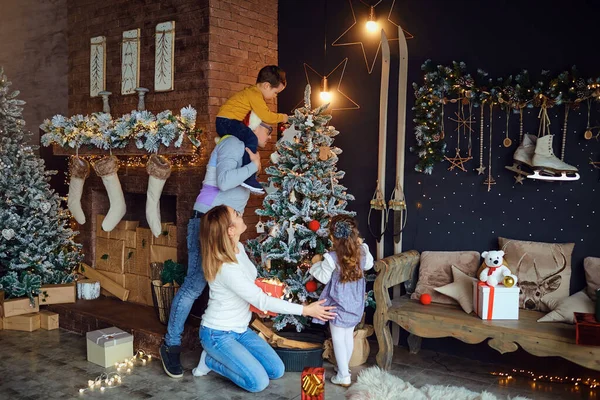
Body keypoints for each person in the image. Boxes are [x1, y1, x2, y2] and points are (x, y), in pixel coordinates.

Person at [160, 111, 273, 378]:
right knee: (194, 286)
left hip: (227, 230)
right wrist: (254, 167)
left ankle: (220, 344)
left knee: (223, 286)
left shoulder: (243, 150)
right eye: (269, 130)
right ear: (256, 127)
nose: (270, 136)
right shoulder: (233, 142)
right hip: (207, 225)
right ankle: (171, 345)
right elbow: (223, 182)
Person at [191, 205, 336, 392]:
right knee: (257, 383)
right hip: (217, 333)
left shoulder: (239, 248)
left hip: (240, 330)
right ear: (230, 230)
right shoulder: (227, 268)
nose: (241, 213)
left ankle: (223, 357)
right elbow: (261, 301)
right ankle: (211, 361)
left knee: (276, 370)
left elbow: (252, 285)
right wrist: (306, 310)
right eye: (236, 214)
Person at [309, 215, 374, 387]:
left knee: (338, 338)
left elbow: (322, 278)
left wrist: (315, 264)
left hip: (337, 304)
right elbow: (368, 265)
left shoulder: (332, 257)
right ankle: (344, 370)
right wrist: (362, 245)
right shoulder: (363, 252)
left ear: (332, 237)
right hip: (355, 305)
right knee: (348, 336)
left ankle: (344, 375)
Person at [216, 65, 289, 194]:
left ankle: (248, 174)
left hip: (225, 122)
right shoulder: (255, 95)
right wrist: (282, 117)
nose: (274, 96)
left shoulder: (251, 92)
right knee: (251, 138)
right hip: (227, 122)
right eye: (275, 92)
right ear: (266, 86)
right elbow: (266, 115)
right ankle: (248, 177)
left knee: (245, 140)